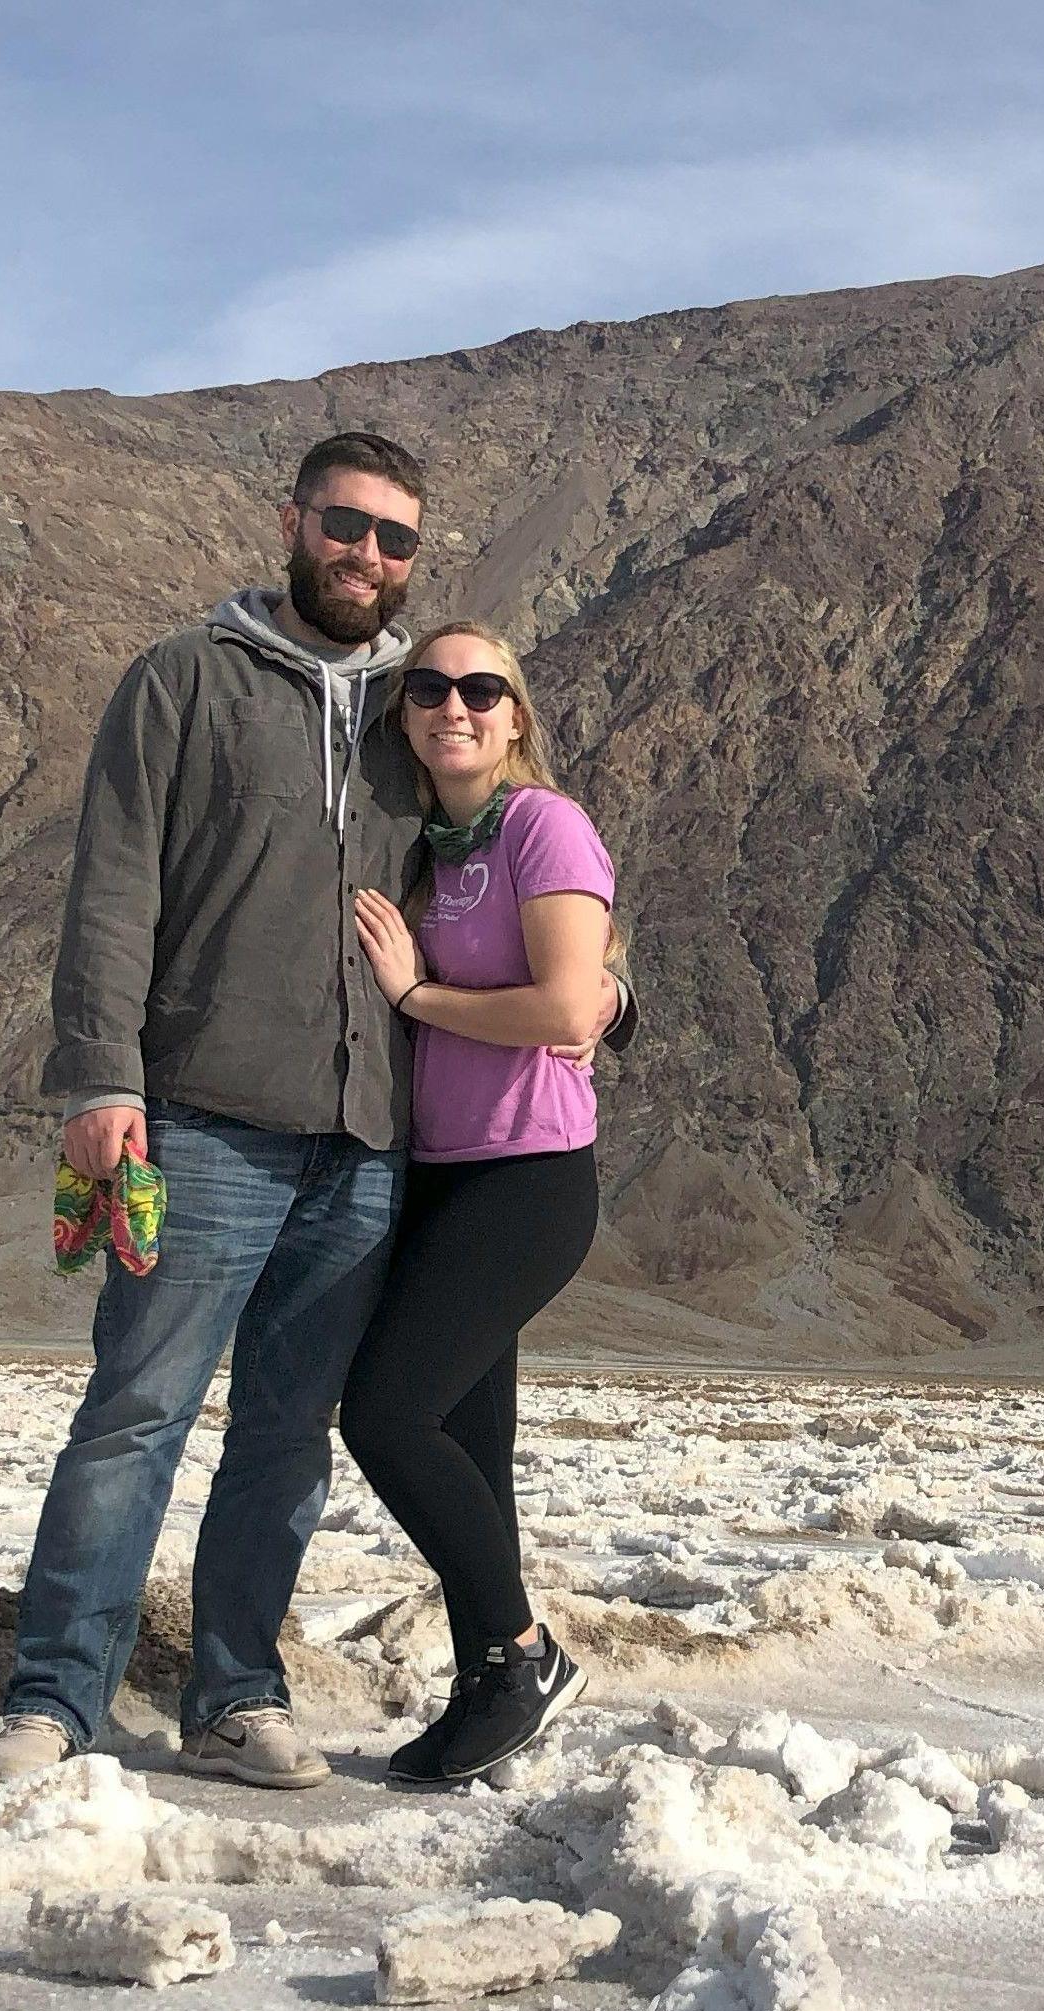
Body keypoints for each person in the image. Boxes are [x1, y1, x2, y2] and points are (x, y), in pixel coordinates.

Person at [0, 434, 431, 1792]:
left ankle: (235, 1693)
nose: (366, 556)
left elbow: (510, 862)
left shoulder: (419, 704)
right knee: (136, 1412)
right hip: (204, 1119)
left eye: (396, 539)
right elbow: (112, 887)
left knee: (287, 1434)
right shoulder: (183, 679)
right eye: (346, 525)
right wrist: (102, 1079)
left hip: (362, 1136)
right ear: (293, 520)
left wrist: (603, 985)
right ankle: (56, 1696)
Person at [339, 621, 621, 1784]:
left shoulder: (540, 825)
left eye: (480, 689)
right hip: (439, 1173)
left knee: (385, 1413)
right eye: (427, 689)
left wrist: (418, 993)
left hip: (528, 1178)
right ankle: (484, 1687)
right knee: (472, 1444)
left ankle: (522, 1653)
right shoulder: (419, 843)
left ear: (515, 715)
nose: (452, 706)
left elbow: (565, 1010)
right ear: (403, 714)